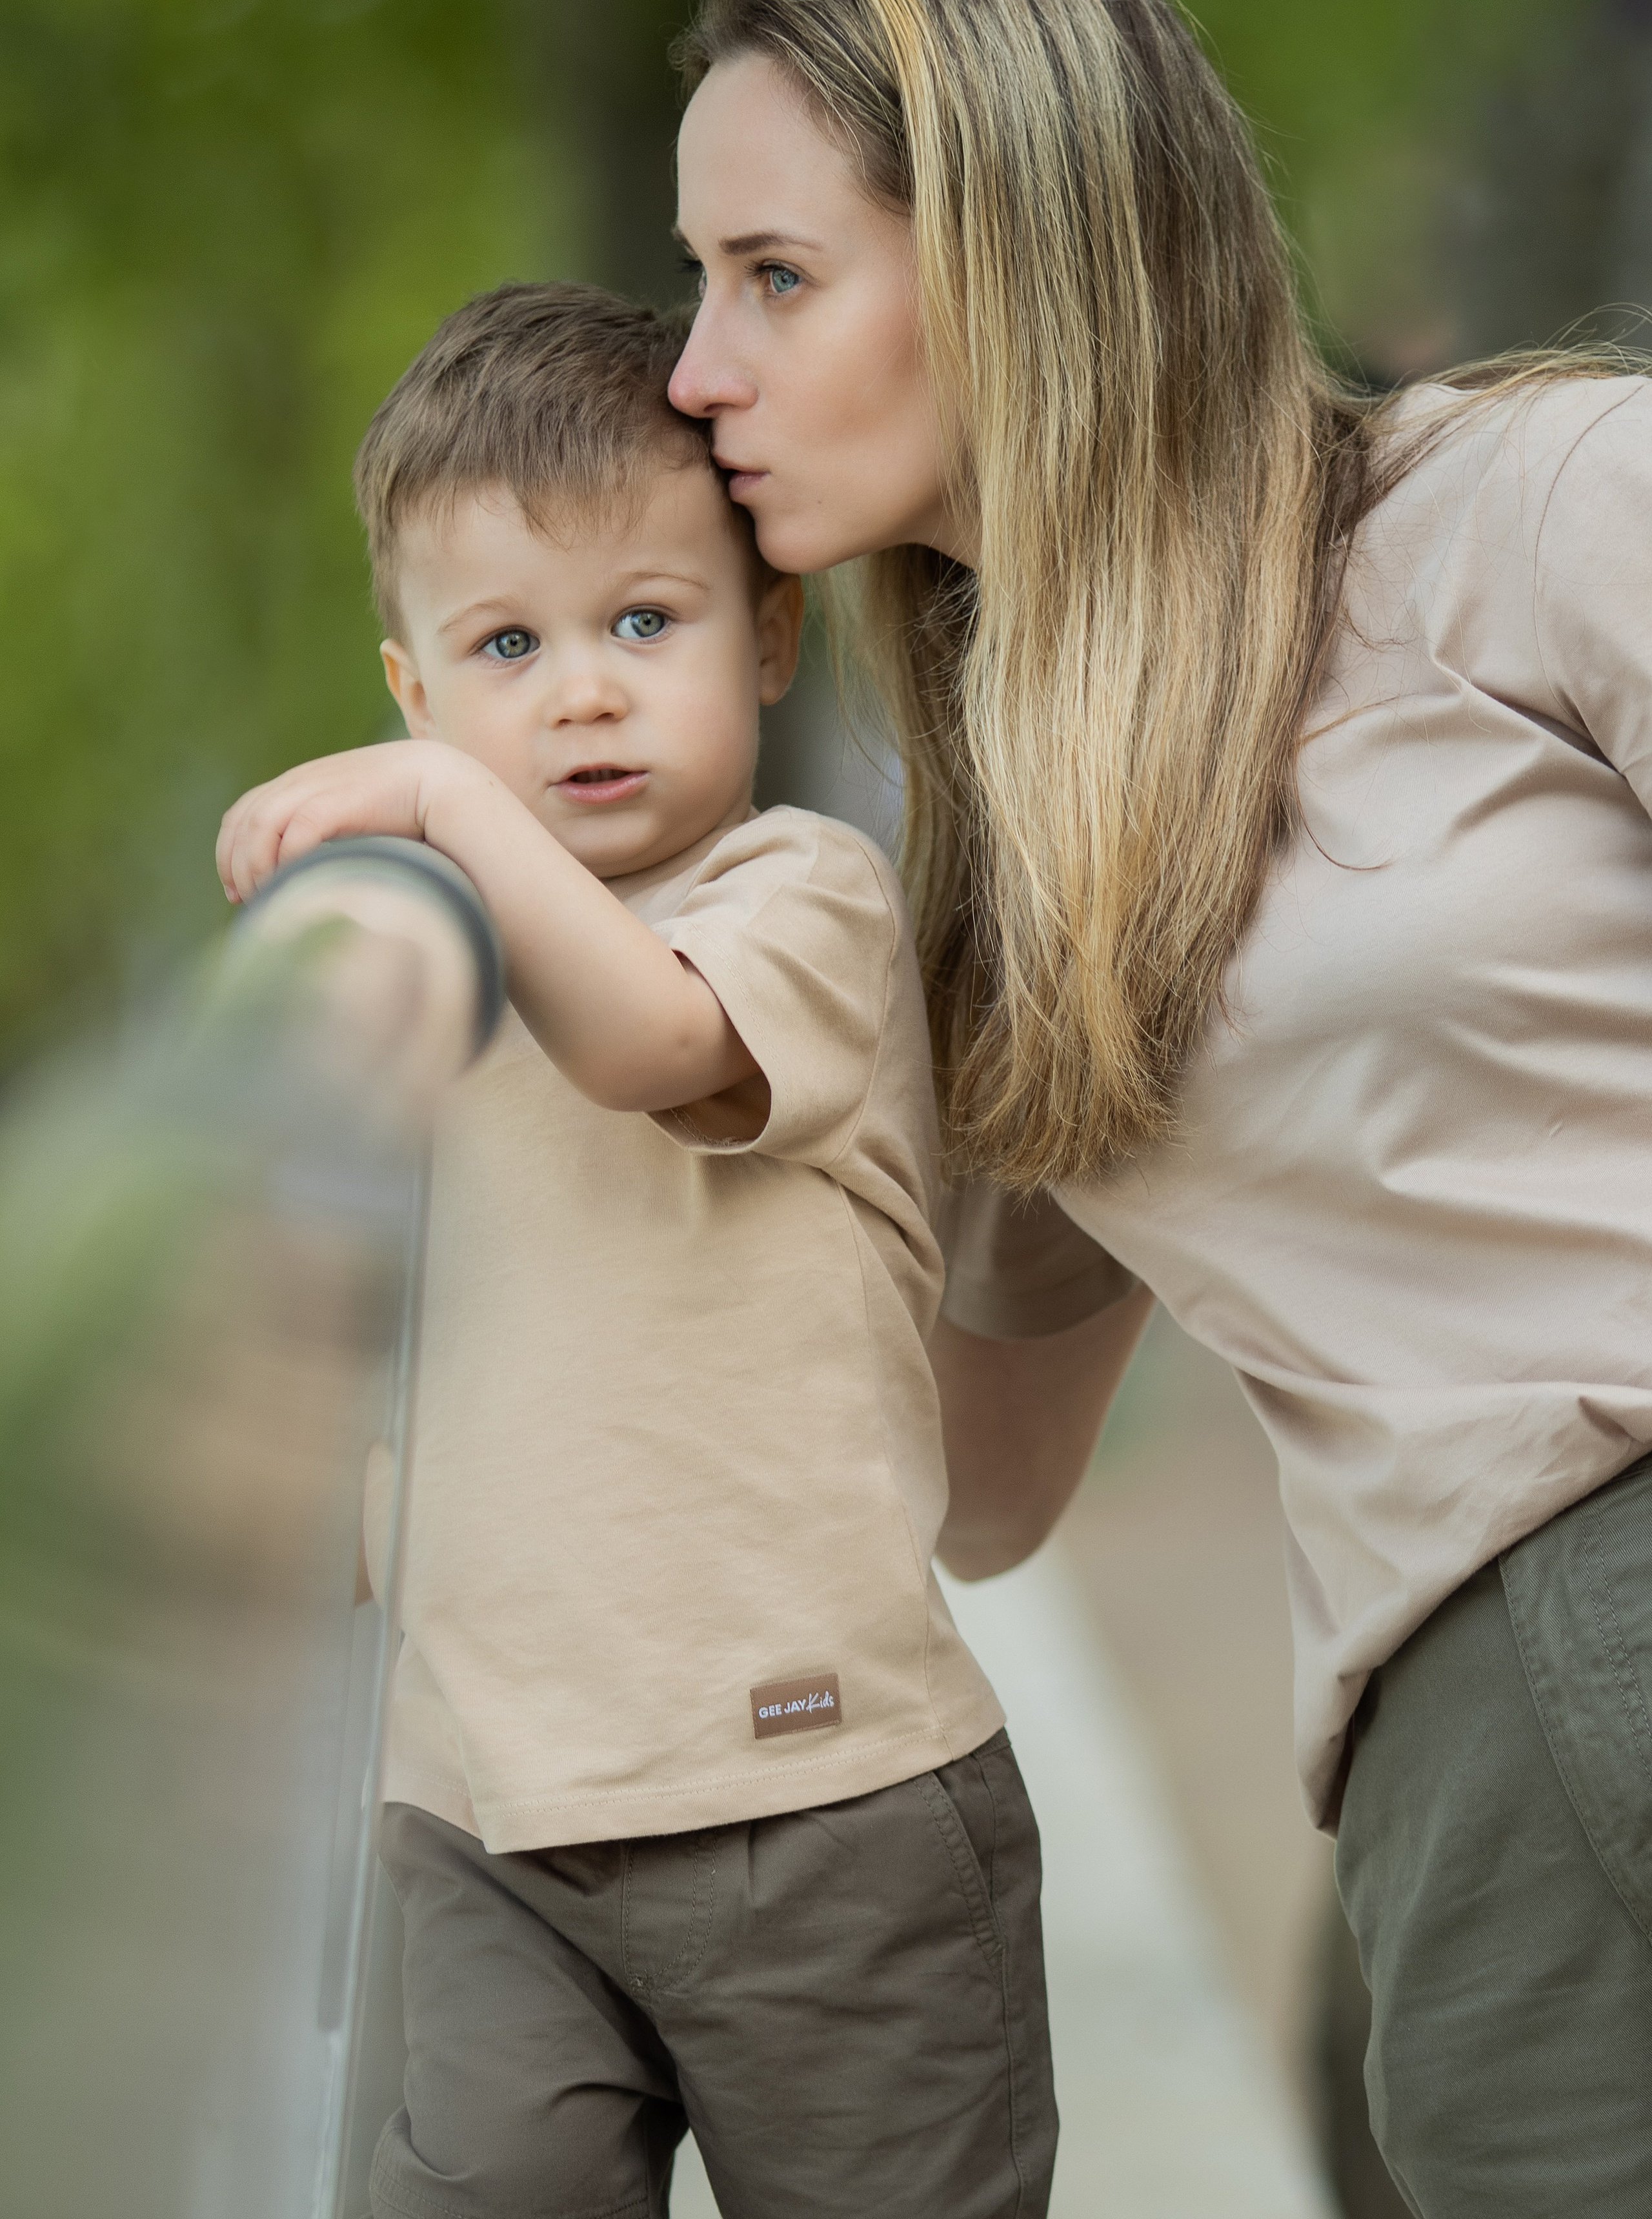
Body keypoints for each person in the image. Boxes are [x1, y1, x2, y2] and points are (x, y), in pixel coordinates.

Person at [665, 0, 1652, 2219]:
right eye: (700, 282)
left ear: (1023, 254)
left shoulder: (1533, 505)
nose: (698, 370)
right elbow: (977, 1485)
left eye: (775, 277)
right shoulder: (1023, 878)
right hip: (1461, 1771)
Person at [215, 282, 1056, 2219]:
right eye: (508, 645)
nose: (581, 692)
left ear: (770, 639)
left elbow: (653, 1043)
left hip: (823, 1810)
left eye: (644, 622)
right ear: (414, 683)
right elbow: (340, 1305)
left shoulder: (798, 898)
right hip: (489, 1808)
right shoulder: (424, 974)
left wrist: (447, 806)